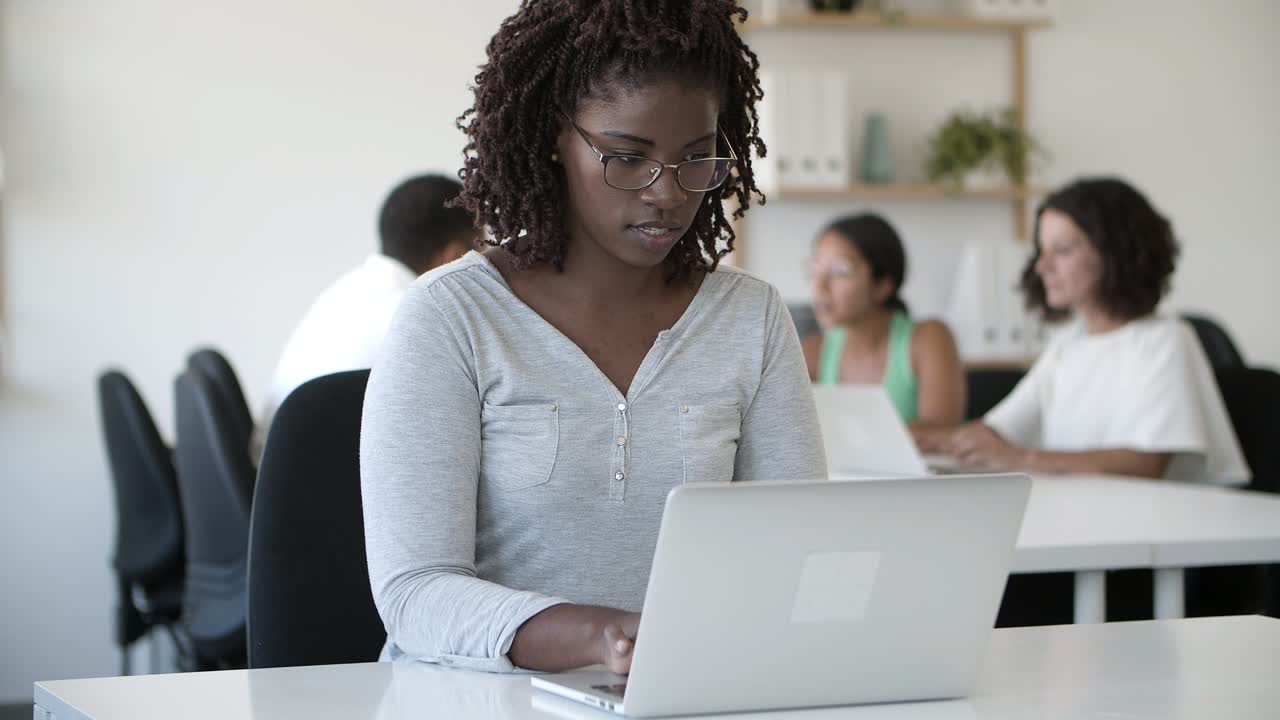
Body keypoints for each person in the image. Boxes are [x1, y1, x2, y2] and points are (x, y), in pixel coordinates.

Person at [359, 0, 826, 675]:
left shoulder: (749, 318)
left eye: (697, 160)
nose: (666, 194)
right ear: (557, 137)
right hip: (476, 699)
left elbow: (797, 552)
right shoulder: (449, 317)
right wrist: (605, 638)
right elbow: (415, 593)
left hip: (683, 690)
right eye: (628, 158)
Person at [916, 177, 1248, 485]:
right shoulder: (1067, 345)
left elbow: (1144, 465)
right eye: (1041, 252)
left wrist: (1020, 458)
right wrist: (926, 439)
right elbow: (997, 431)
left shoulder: (1165, 340)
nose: (1042, 267)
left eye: (1062, 251)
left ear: (1116, 254)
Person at [254, 174, 475, 456]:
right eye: (481, 247)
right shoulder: (417, 318)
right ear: (455, 256)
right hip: (315, 487)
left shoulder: (348, 288)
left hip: (272, 480)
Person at [802, 213, 965, 428]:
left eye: (840, 271)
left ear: (882, 286)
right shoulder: (811, 353)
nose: (820, 285)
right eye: (815, 268)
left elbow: (942, 432)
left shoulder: (928, 339)